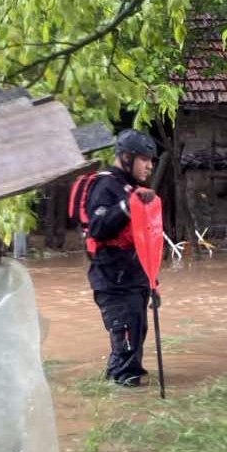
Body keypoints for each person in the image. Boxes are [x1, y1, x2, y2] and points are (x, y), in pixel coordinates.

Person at [85, 129, 158, 386]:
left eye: (151, 160)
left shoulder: (132, 187)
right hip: (113, 283)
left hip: (134, 280)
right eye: (145, 159)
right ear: (127, 158)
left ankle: (116, 387)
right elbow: (97, 227)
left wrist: (152, 282)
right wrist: (128, 206)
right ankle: (126, 403)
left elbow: (145, 239)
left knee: (134, 340)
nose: (150, 166)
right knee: (127, 350)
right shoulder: (105, 186)